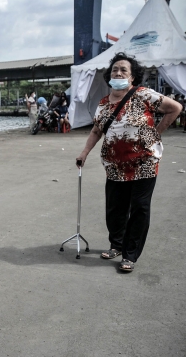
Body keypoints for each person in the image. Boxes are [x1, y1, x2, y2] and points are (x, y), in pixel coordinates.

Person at [75, 52, 182, 273]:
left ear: (132, 77)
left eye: (124, 69)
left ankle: (130, 254)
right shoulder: (103, 104)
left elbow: (175, 109)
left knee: (140, 209)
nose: (118, 72)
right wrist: (84, 152)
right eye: (115, 69)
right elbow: (96, 130)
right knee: (115, 208)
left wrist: (156, 134)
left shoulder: (144, 95)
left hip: (145, 162)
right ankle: (116, 244)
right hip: (114, 165)